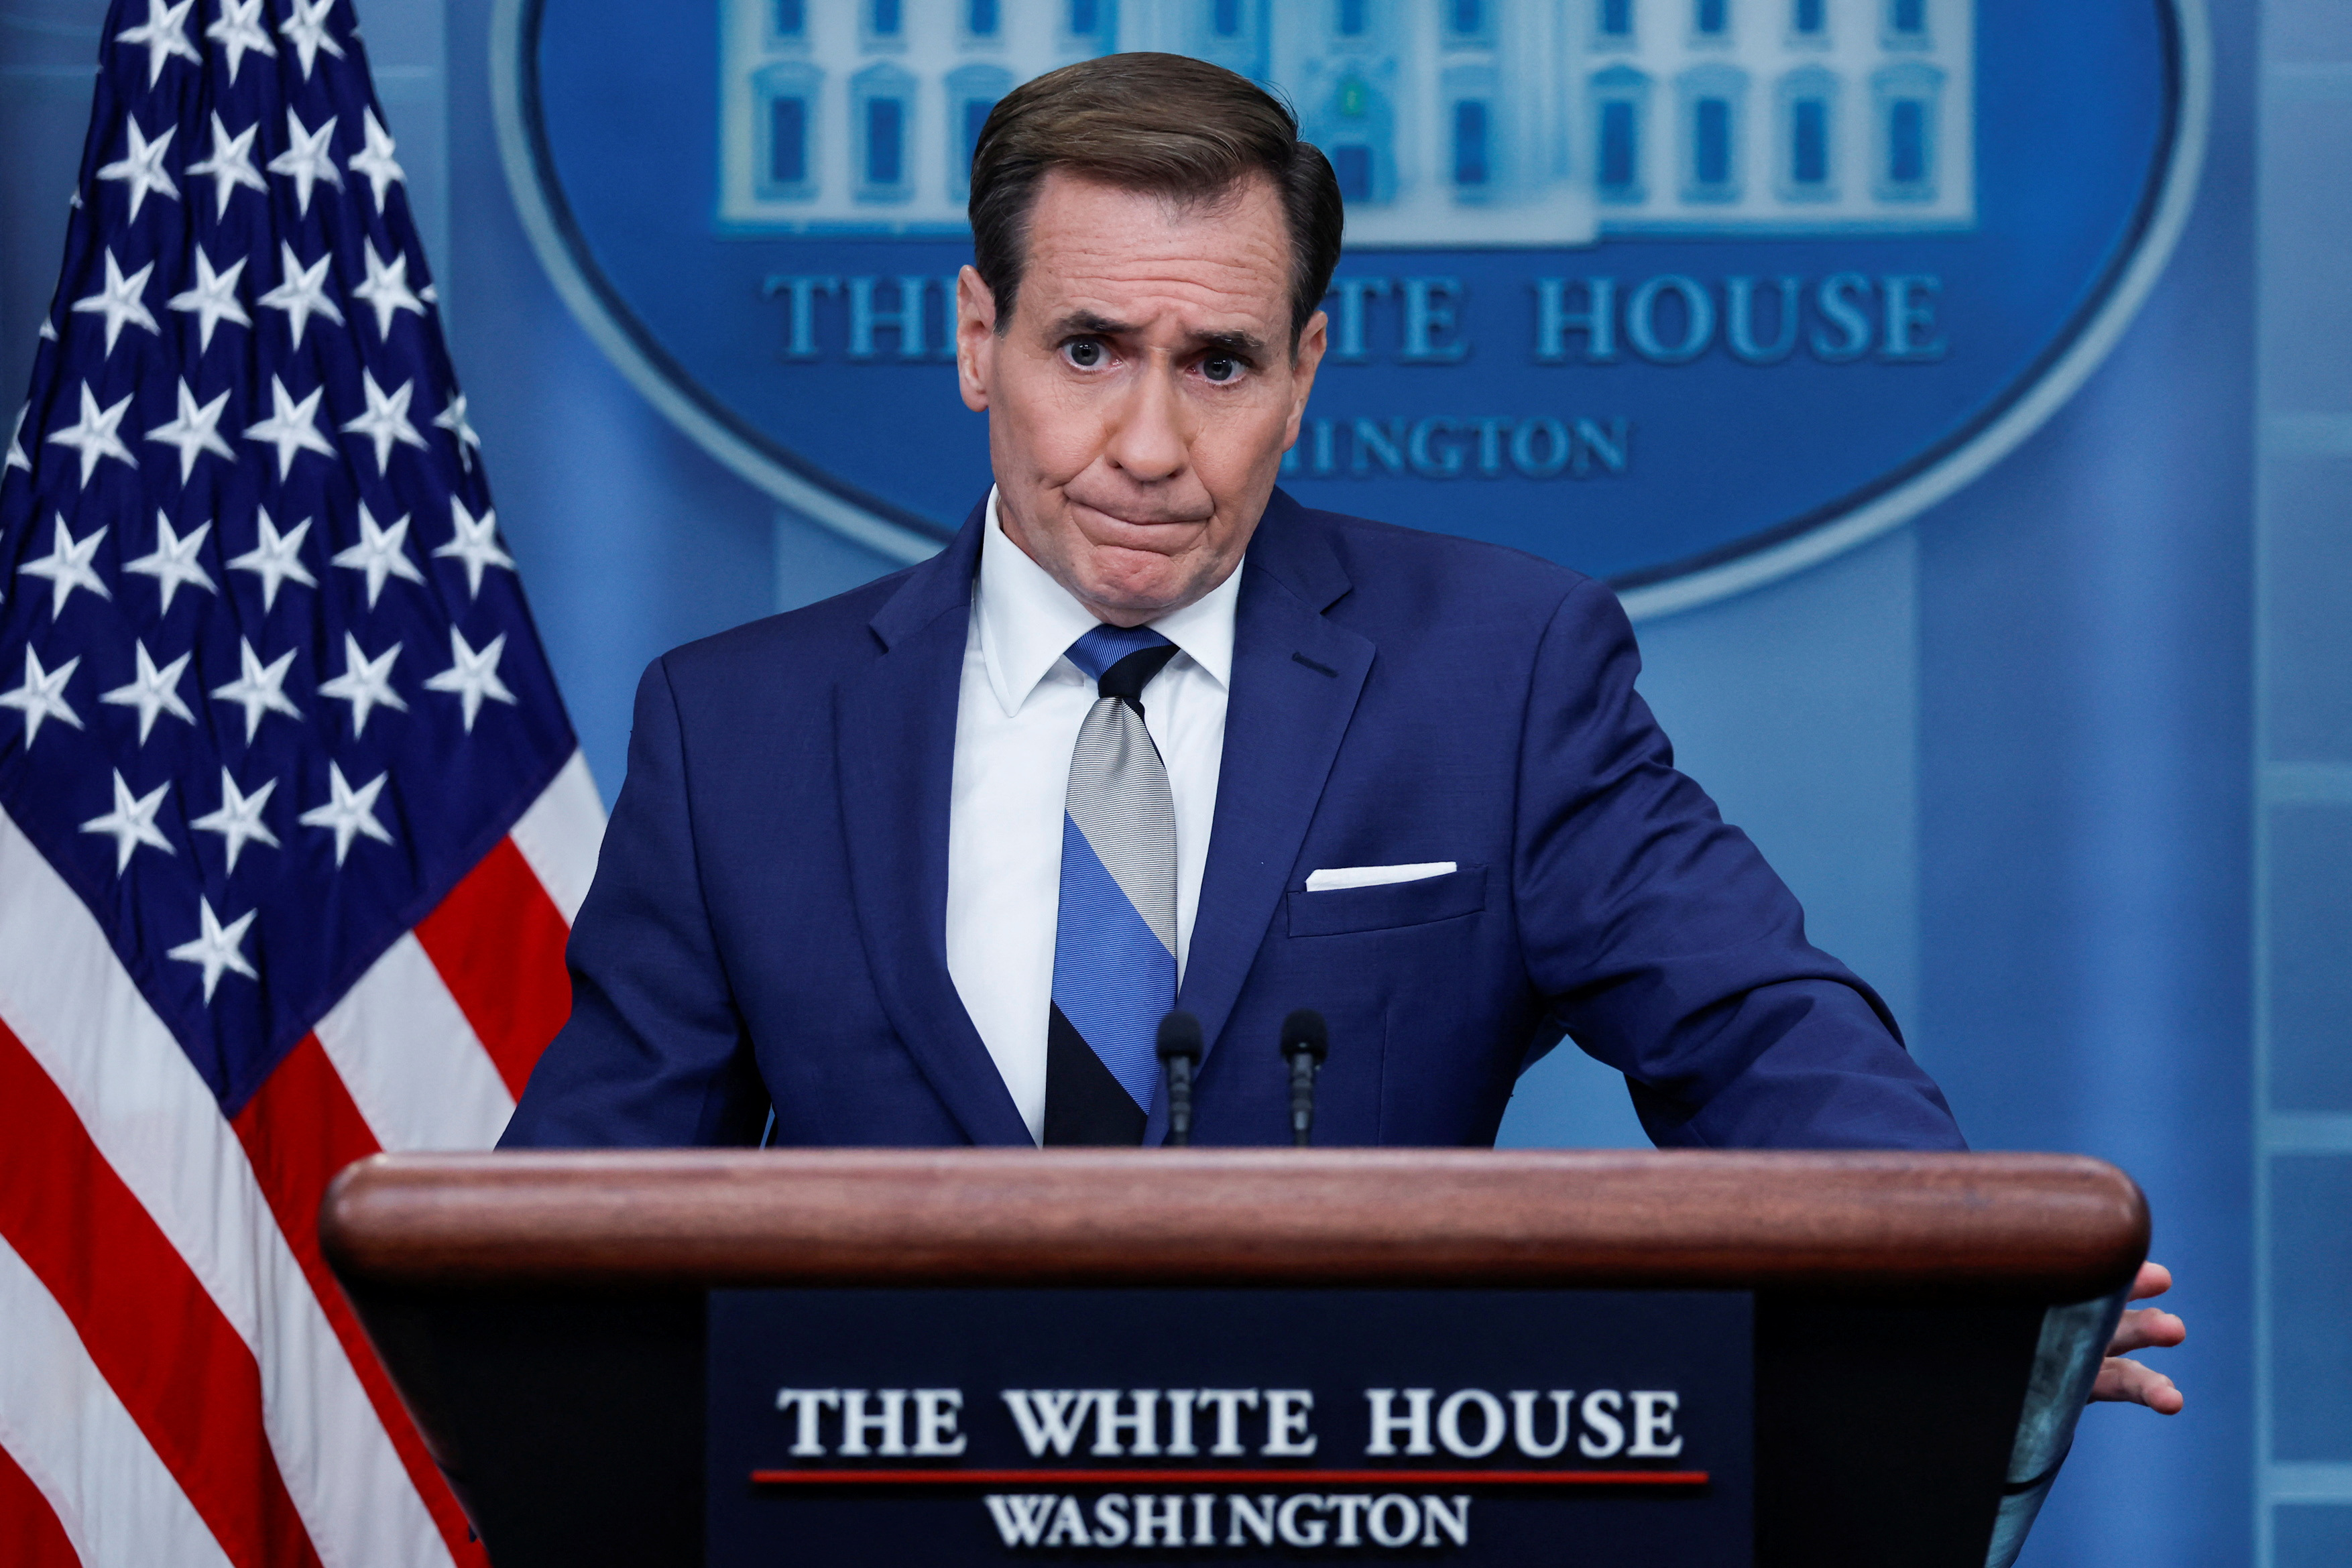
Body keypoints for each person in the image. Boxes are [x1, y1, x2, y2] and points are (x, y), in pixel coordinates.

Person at [499, 53, 2182, 1412]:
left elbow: (1751, 1027)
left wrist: (1954, 1264)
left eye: (1217, 365)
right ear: (975, 341)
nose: (1147, 441)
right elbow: (586, 1221)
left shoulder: (1495, 674)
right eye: (1087, 349)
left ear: (1304, 371)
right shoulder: (740, 733)